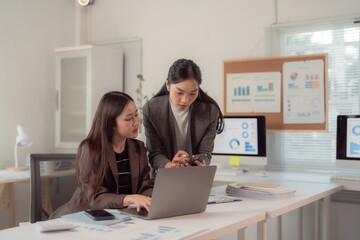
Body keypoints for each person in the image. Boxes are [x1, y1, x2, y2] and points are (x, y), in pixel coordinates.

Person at [51, 91, 153, 219]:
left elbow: (145, 185)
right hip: (83, 216)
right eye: (128, 118)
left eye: (136, 115)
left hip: (117, 217)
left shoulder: (138, 147)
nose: (136, 122)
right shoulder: (91, 148)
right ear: (111, 123)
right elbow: (95, 197)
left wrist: (152, 199)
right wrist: (129, 198)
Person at [143, 58, 224, 171]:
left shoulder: (210, 112)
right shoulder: (152, 109)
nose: (185, 100)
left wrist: (201, 165)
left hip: (194, 177)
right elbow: (155, 154)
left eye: (193, 93)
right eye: (179, 93)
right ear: (168, 85)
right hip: (163, 178)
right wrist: (170, 165)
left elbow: (205, 153)